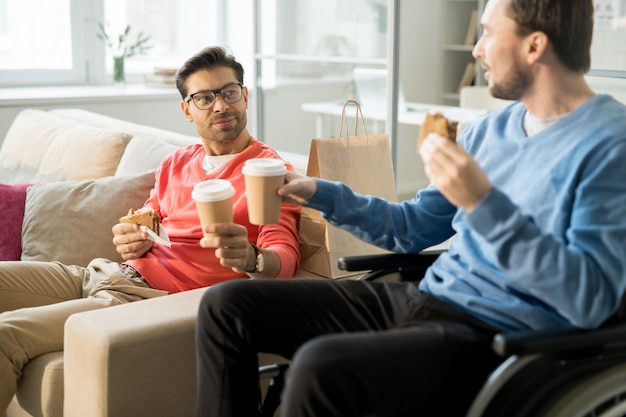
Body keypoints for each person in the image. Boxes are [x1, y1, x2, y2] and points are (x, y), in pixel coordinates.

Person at [195, 1, 626, 416]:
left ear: (534, 46)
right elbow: (413, 227)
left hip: (496, 335)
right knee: (226, 306)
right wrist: (319, 193)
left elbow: (588, 299)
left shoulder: (610, 146)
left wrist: (483, 202)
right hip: (428, 298)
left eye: (489, 33)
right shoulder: (493, 129)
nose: (477, 48)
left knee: (320, 368)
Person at [0, 46, 301, 412]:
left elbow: (284, 256)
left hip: (142, 298)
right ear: (186, 110)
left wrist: (253, 259)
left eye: (229, 92)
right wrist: (128, 238)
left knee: (6, 335)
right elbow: (149, 219)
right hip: (101, 273)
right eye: (204, 98)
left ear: (245, 96)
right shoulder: (177, 161)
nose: (220, 106)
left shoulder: (267, 171)